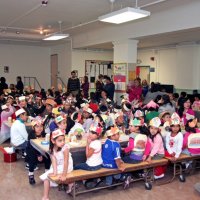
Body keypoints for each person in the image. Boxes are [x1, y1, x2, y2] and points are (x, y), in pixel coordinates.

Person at [40, 129, 73, 199]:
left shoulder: (65, 148)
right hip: (60, 166)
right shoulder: (52, 149)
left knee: (46, 177)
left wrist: (64, 175)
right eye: (60, 140)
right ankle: (45, 197)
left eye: (63, 140)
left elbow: (66, 162)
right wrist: (54, 173)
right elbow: (54, 162)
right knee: (47, 176)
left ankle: (45, 197)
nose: (63, 142)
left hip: (67, 166)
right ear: (53, 141)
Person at [26, 117, 51, 185]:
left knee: (47, 157)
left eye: (41, 126)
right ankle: (31, 174)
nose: (40, 128)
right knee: (32, 159)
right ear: (33, 128)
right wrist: (39, 155)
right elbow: (33, 147)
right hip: (32, 150)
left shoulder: (44, 134)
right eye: (37, 126)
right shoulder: (31, 135)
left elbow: (47, 141)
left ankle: (47, 173)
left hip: (41, 149)